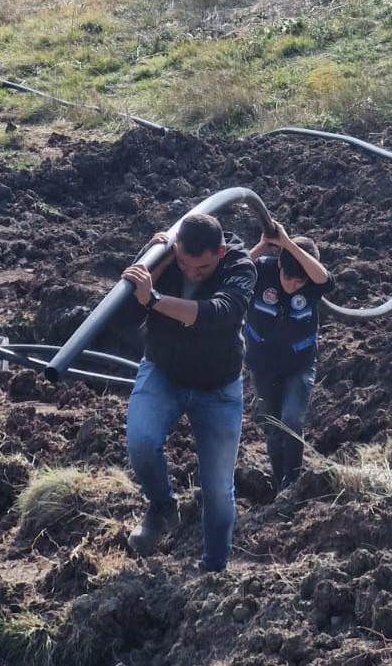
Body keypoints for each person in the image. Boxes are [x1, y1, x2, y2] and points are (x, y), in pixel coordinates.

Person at [121, 212, 256, 573]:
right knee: (140, 442)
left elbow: (218, 313)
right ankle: (163, 507)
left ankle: (212, 569)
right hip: (164, 372)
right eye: (184, 263)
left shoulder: (240, 266)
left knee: (217, 493)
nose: (193, 273)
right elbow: (126, 308)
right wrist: (157, 258)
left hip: (218, 389)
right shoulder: (167, 255)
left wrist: (155, 300)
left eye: (203, 268)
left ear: (221, 251)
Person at [245, 222, 333, 493]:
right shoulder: (262, 271)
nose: (293, 286)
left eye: (299, 282)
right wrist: (263, 248)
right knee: (272, 427)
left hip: (299, 364)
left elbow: (325, 278)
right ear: (279, 266)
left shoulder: (312, 283)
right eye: (287, 279)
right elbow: (230, 271)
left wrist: (288, 243)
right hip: (262, 365)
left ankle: (293, 483)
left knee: (292, 420)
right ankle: (279, 480)